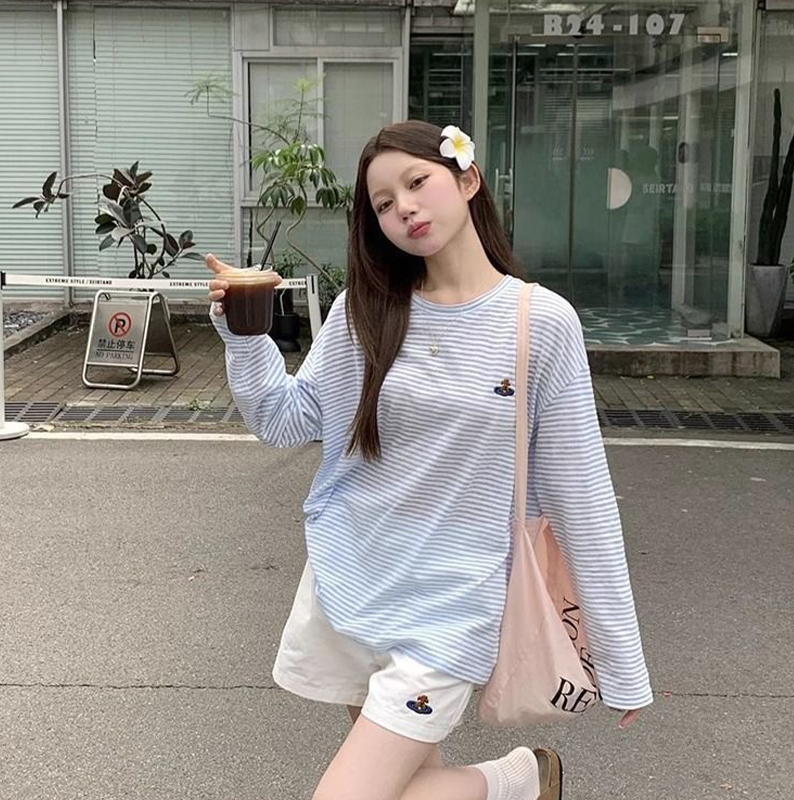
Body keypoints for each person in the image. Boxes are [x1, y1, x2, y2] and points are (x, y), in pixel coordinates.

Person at [205, 120, 653, 800]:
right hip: (352, 581)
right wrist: (243, 333)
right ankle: (523, 779)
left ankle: (517, 780)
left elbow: (580, 496)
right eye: (383, 203)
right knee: (412, 787)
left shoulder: (540, 322)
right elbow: (285, 419)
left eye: (417, 183)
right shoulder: (365, 311)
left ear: (467, 179)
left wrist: (621, 658)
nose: (405, 209)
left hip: (452, 606)